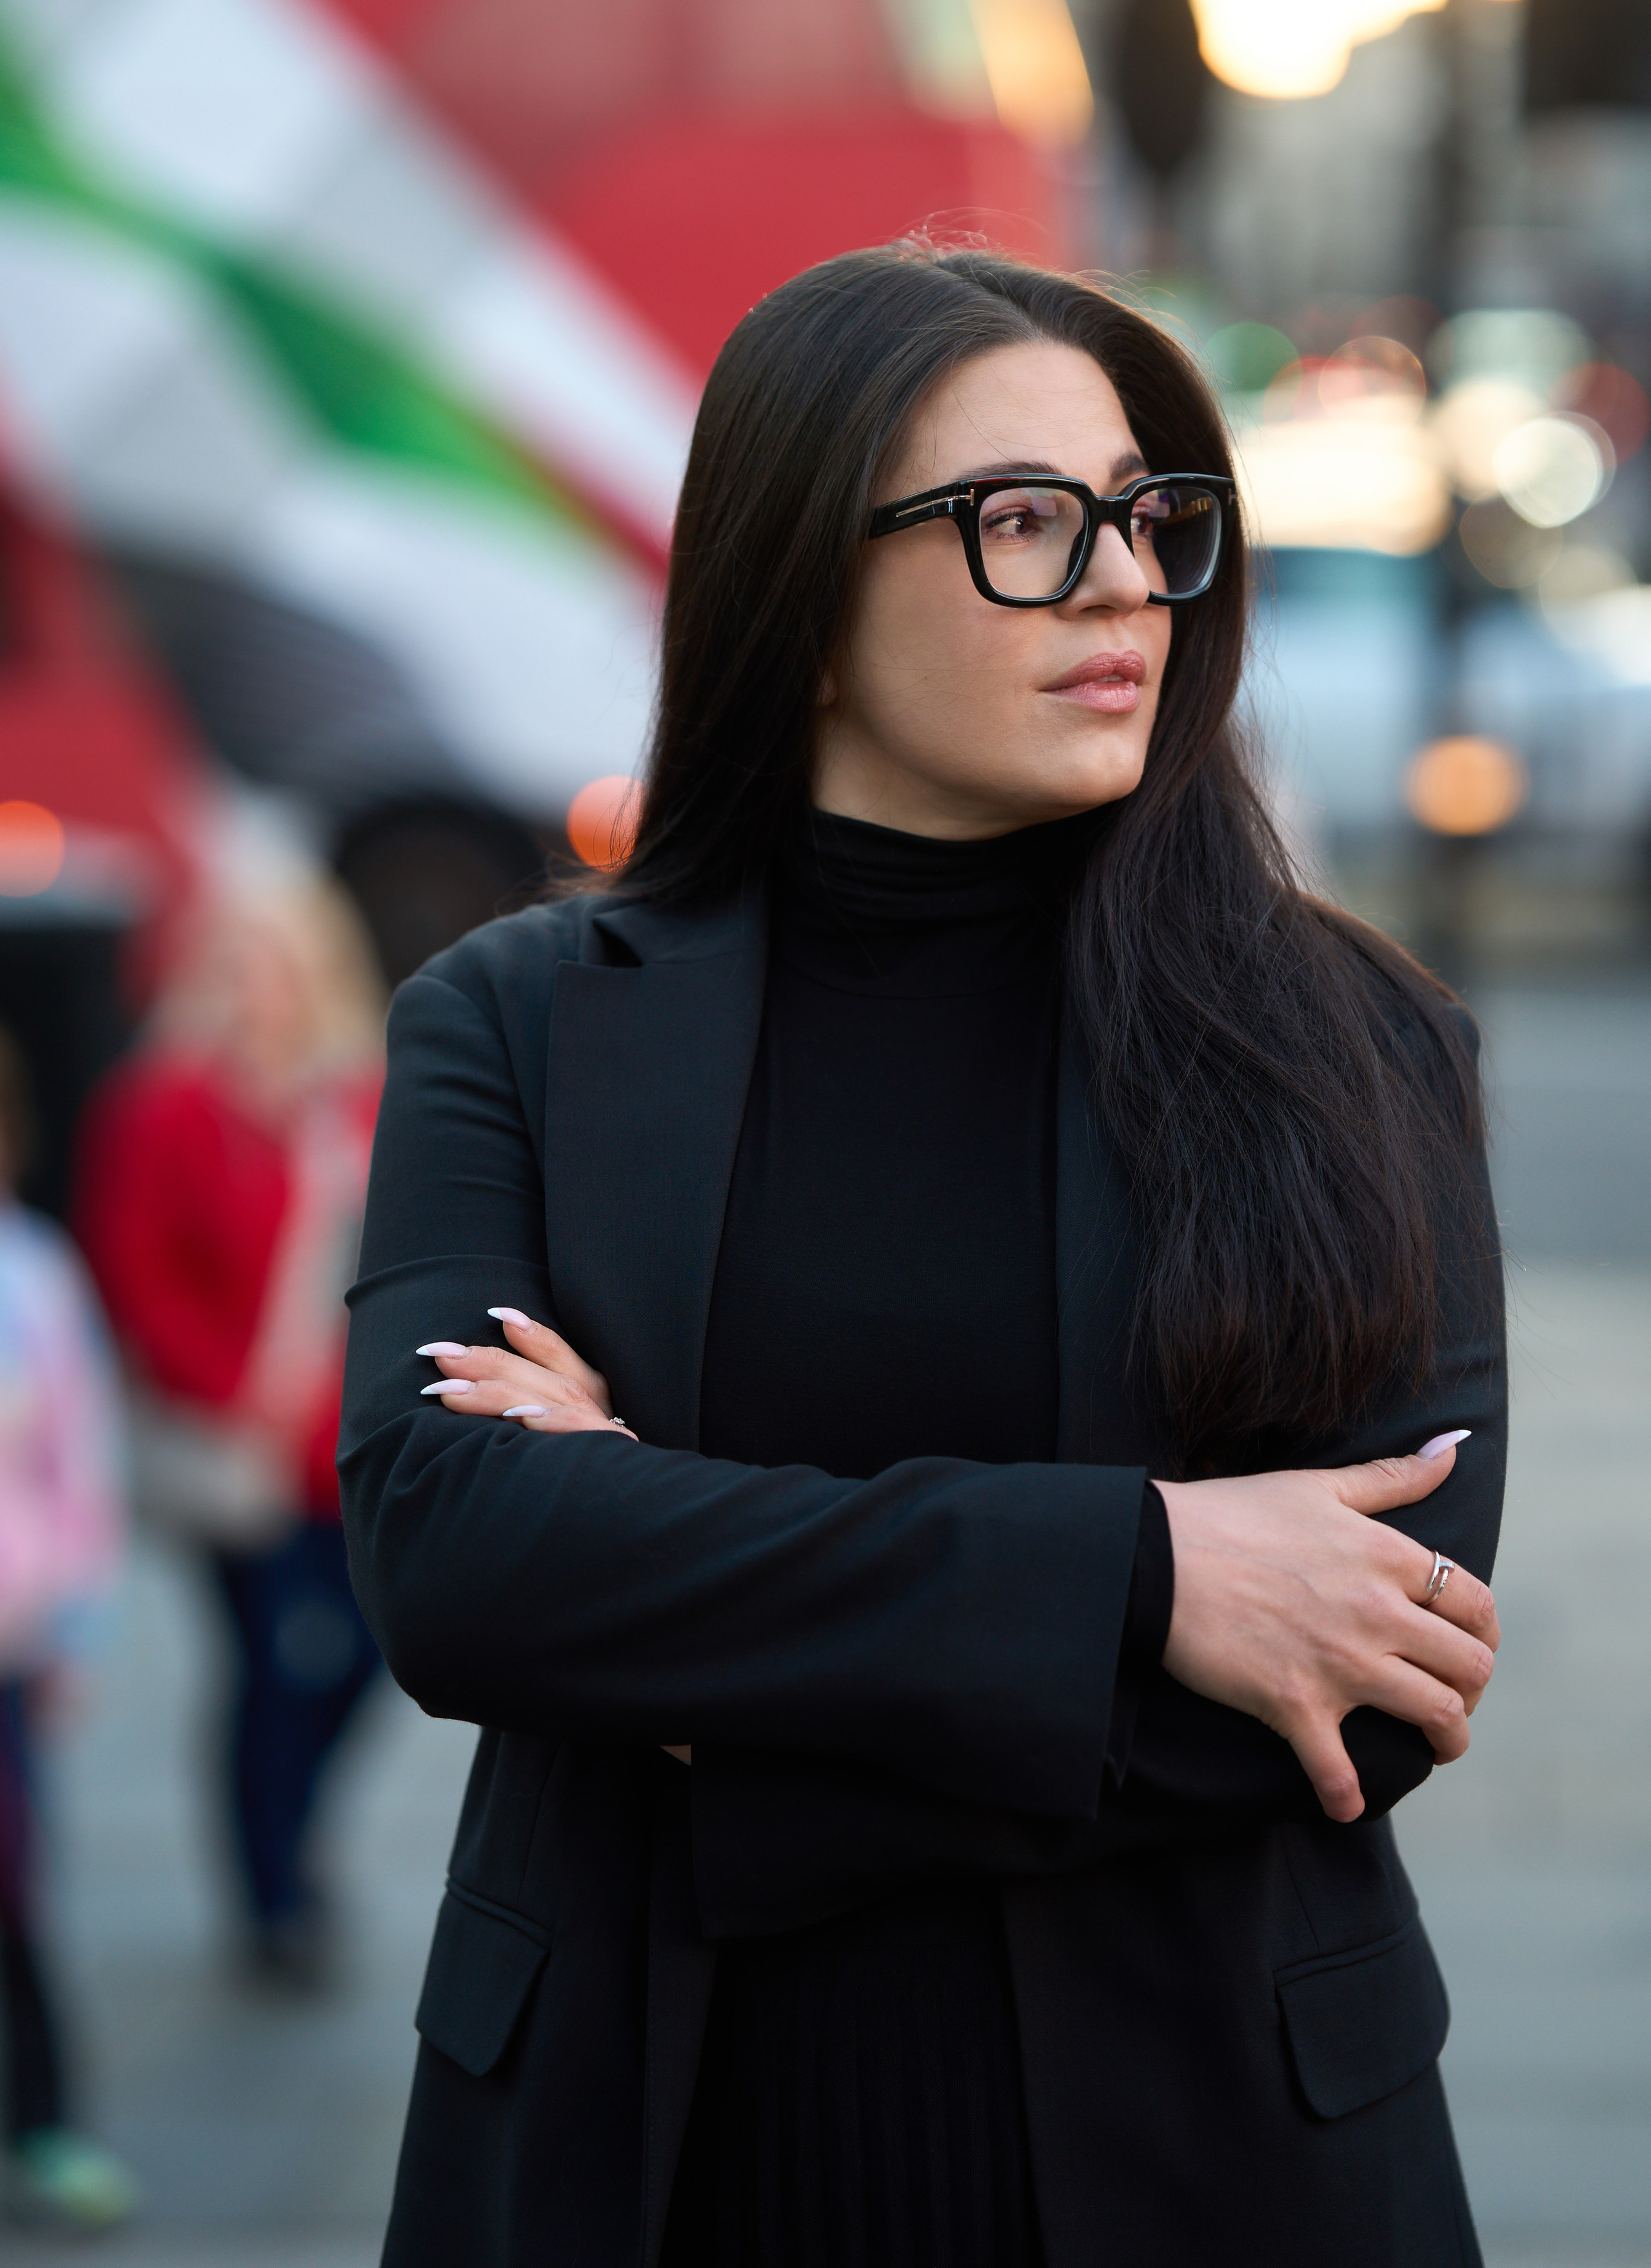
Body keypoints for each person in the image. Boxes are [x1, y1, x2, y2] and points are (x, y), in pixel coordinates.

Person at [341, 244, 1506, 2268]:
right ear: (798, 595)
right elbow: (459, 1562)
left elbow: (1372, 1681)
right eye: (1025, 525)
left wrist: (696, 1670)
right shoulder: (518, 1019)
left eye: (1153, 520)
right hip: (652, 2149)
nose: (1130, 584)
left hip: (1220, 2150)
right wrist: (1145, 1573)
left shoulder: (1357, 1042)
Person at [76, 879, 384, 1987]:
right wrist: (224, 1390)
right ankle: (274, 1897)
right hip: (234, 1453)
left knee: (367, 1656)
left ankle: (294, 1826)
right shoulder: (160, 1103)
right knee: (268, 1663)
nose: (259, 983)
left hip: (347, 1448)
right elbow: (136, 1273)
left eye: (279, 958)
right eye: (239, 958)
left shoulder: (363, 1100)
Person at [0, 1025, 136, 2231]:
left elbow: (80, 1466)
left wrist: (77, 1630)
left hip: (8, 1646)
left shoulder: (31, 1275)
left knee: (14, 1887)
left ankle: (39, 2120)